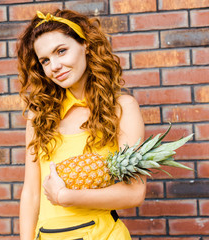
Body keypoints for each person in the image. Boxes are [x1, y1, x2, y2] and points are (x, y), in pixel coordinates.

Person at [17, 9, 146, 240]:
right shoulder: (39, 117)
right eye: (45, 60)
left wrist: (65, 196)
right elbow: (31, 193)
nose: (54, 66)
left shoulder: (121, 108)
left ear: (85, 45)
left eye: (61, 51)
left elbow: (134, 192)